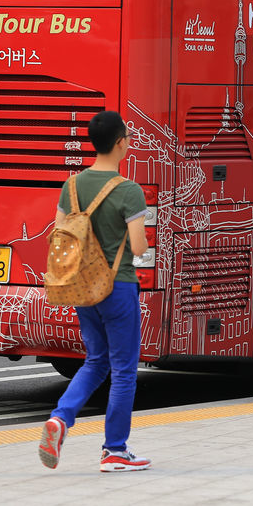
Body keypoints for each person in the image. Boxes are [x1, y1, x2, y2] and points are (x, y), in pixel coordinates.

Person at [38, 110, 151, 473]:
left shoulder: (70, 186)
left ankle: (60, 418)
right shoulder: (128, 190)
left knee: (95, 360)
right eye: (128, 138)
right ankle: (115, 450)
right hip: (118, 288)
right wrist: (141, 239)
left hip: (83, 288)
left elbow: (61, 237)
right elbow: (137, 247)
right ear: (120, 143)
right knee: (123, 370)